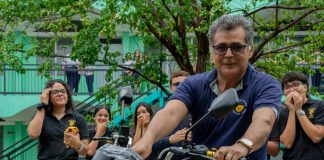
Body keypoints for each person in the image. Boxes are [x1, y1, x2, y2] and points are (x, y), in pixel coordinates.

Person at [131, 14, 282, 160]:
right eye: (221, 48)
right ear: (212, 53)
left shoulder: (266, 85)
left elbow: (264, 121)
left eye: (237, 47)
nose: (229, 54)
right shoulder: (194, 84)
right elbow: (170, 113)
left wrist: (242, 146)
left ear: (249, 50)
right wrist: (147, 141)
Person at [27, 79, 89, 159]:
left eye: (63, 91)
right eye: (55, 92)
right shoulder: (41, 115)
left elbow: (85, 151)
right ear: (48, 96)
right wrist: (43, 105)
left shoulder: (78, 118)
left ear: (67, 94)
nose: (60, 94)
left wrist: (78, 144)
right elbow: (32, 134)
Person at [279, 71, 324, 159]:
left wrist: (299, 110)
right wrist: (292, 111)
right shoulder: (283, 112)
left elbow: (316, 137)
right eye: (287, 87)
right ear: (284, 92)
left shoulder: (320, 105)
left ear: (305, 87)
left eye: (295, 85)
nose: (292, 89)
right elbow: (287, 144)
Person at [153, 71, 192, 153]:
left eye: (184, 83)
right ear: (171, 88)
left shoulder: (201, 110)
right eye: (176, 84)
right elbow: (152, 145)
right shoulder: (161, 113)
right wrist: (171, 139)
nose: (181, 86)